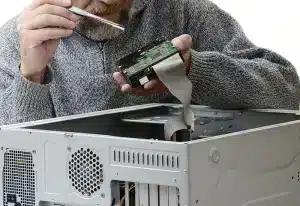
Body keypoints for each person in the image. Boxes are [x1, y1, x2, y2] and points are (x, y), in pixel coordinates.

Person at [0, 0, 299, 126]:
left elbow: (286, 90)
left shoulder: (183, 12)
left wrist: (195, 70)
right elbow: (14, 171)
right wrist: (31, 75)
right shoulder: (20, 39)